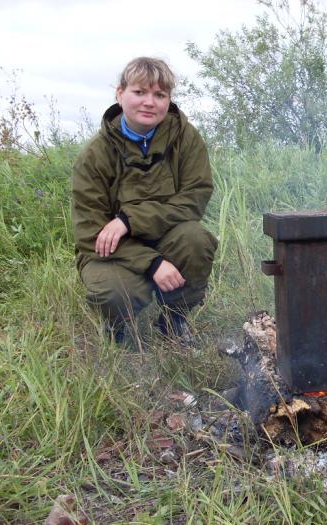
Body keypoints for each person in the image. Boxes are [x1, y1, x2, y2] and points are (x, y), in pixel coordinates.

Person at [72, 57, 217, 345]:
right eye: (139, 92)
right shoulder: (94, 156)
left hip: (168, 238)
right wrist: (152, 264)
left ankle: (173, 322)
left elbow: (194, 199)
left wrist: (128, 221)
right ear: (120, 94)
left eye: (159, 95)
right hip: (114, 253)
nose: (149, 102)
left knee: (196, 239)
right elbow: (90, 234)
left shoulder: (185, 138)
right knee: (114, 293)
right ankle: (120, 332)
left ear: (168, 99)